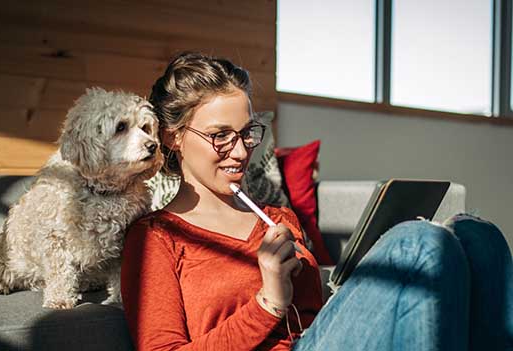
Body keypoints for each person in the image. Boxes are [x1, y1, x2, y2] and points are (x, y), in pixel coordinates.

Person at [120, 52, 513, 351]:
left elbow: (314, 319)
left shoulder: (277, 218)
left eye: (246, 133)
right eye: (220, 135)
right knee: (420, 242)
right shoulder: (156, 238)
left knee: (477, 235)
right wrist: (268, 301)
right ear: (173, 137)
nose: (240, 152)